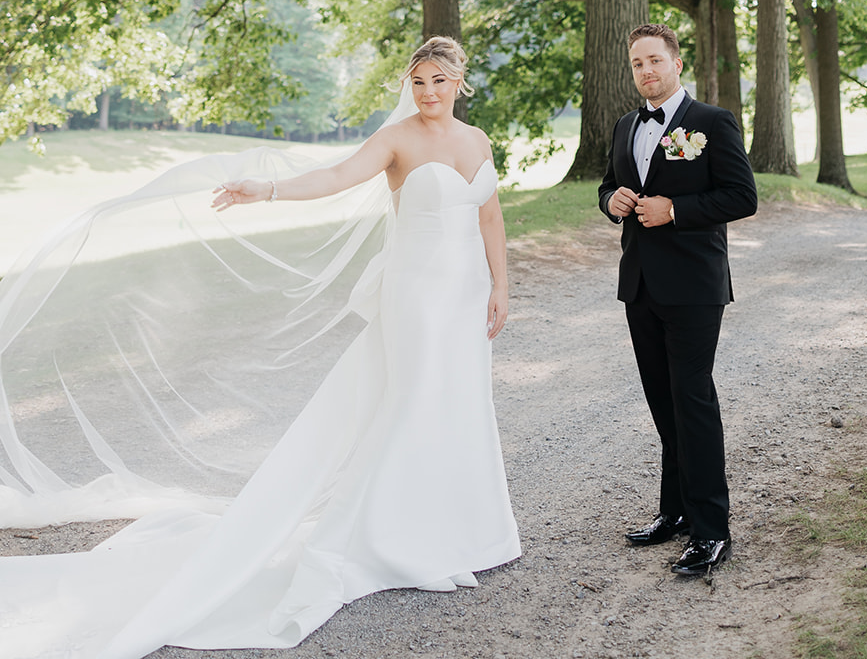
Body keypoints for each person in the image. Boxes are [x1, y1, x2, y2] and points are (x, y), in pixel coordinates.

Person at [0, 36, 520, 659]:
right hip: (415, 293)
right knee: (414, 404)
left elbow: (490, 216)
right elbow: (333, 176)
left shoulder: (479, 141)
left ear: (459, 81)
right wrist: (267, 190)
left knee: (458, 403)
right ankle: (402, 543)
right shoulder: (398, 140)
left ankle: (464, 530)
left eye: (438, 80)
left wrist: (499, 286)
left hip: (464, 292)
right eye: (418, 82)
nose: (428, 92)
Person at [598, 23, 757, 581]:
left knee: (692, 399)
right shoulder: (624, 126)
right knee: (663, 403)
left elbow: (743, 196)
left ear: (676, 63)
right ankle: (677, 510)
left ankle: (712, 530)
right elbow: (606, 186)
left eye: (655, 61)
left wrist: (677, 210)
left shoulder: (711, 122)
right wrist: (610, 200)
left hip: (693, 287)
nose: (646, 71)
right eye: (637, 63)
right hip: (639, 285)